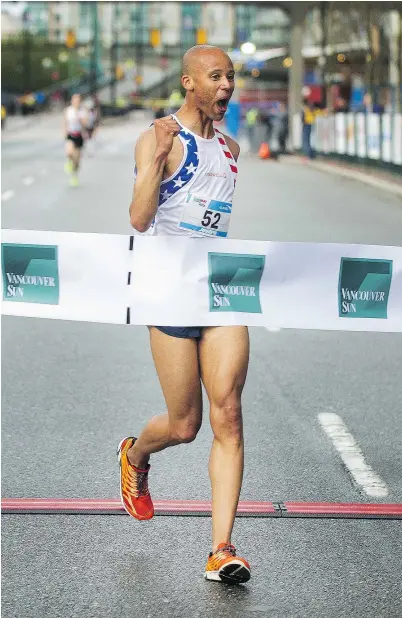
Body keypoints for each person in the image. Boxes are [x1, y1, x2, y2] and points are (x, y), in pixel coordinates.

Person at [118, 45, 251, 585]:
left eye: (231, 76)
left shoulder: (233, 146)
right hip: (168, 292)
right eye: (215, 76)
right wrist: (154, 160)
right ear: (189, 82)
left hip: (219, 292)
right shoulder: (158, 137)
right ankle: (135, 455)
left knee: (229, 413)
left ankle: (221, 548)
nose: (226, 86)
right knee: (185, 424)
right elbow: (139, 218)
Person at [63, 93, 88, 187]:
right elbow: (65, 122)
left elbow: (85, 123)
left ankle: (74, 175)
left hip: (79, 135)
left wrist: (80, 118)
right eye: (74, 100)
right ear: (72, 101)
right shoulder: (68, 110)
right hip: (70, 134)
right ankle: (69, 163)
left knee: (77, 161)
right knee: (69, 152)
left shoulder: (82, 111)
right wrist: (65, 132)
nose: (76, 102)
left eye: (78, 100)